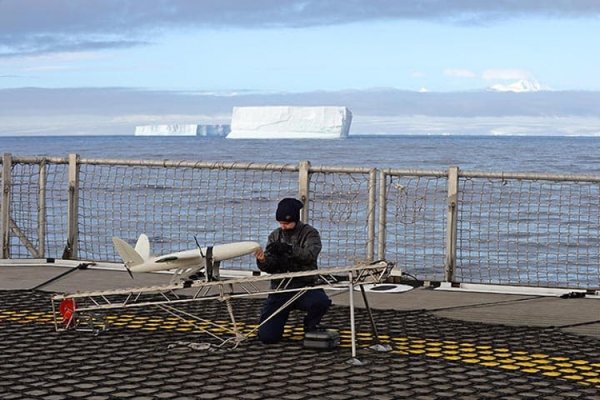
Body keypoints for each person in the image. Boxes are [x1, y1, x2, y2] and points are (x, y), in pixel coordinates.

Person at [255, 198, 331, 344]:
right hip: (280, 289)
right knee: (267, 337)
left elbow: (310, 255)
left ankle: (311, 325)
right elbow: (270, 267)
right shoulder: (274, 236)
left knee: (321, 301)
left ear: (295, 219)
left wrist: (289, 249)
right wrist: (263, 260)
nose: (283, 227)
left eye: (287, 223)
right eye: (281, 223)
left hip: (305, 286)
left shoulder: (310, 233)